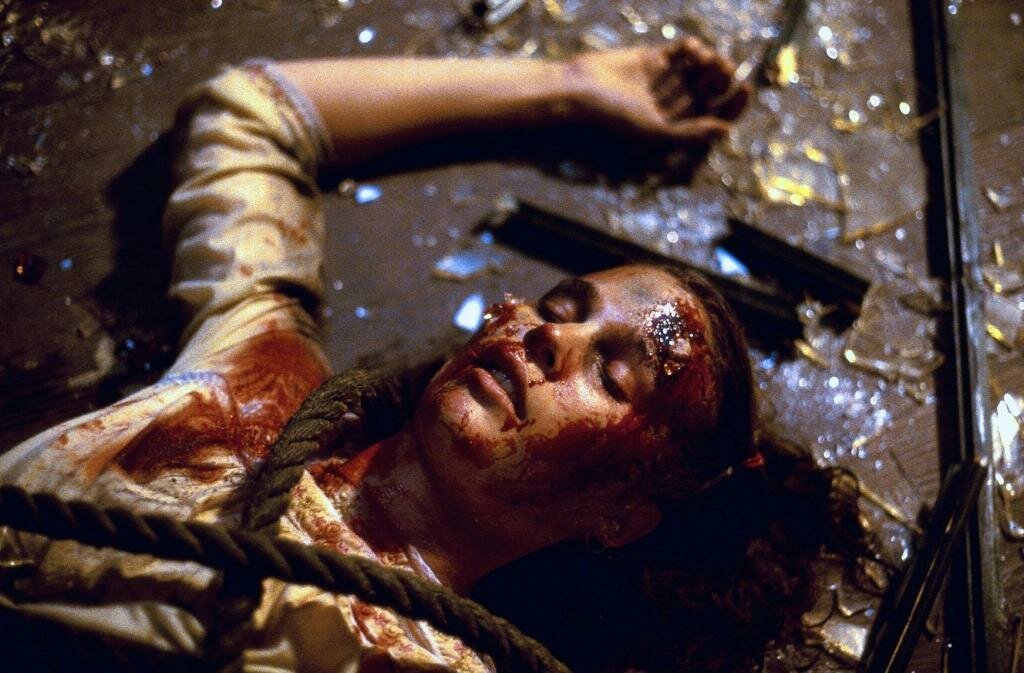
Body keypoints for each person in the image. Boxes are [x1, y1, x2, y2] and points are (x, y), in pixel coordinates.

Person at [0, 38, 864, 673]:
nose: (549, 335)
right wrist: (563, 84)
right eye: (560, 306)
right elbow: (252, 113)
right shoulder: (256, 380)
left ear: (620, 518)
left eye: (610, 371)